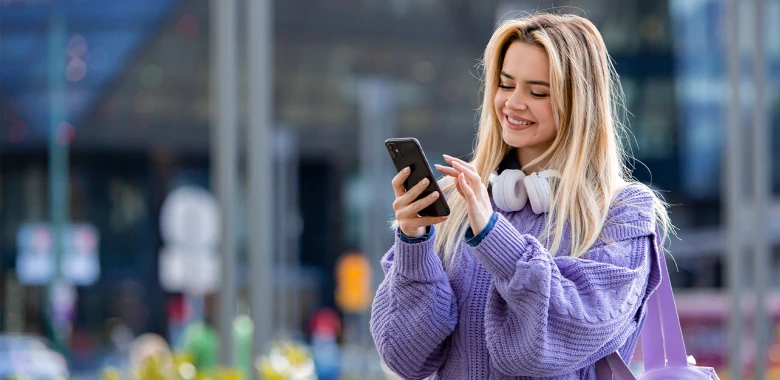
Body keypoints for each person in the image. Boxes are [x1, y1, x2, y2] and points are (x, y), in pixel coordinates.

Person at [370, 13, 671, 379]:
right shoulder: (457, 200)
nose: (513, 104)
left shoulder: (621, 214)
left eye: (537, 92)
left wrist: (494, 236)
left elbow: (539, 350)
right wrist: (414, 244)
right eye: (505, 84)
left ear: (578, 104)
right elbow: (405, 358)